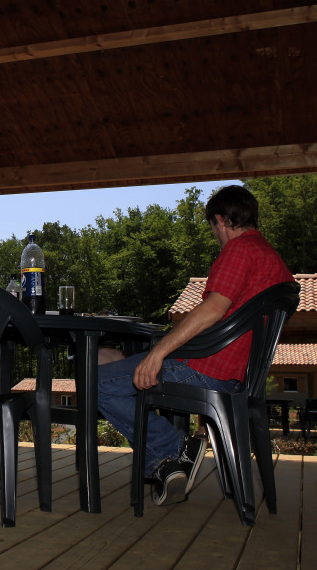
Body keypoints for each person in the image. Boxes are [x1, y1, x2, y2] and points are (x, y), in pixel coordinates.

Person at [97, 185, 292, 505]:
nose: (214, 234)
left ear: (220, 221)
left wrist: (159, 352)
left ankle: (172, 451)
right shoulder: (273, 260)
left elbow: (213, 309)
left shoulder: (239, 250)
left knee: (97, 382)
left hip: (208, 369)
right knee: (116, 362)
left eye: (212, 227)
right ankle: (166, 466)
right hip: (238, 377)